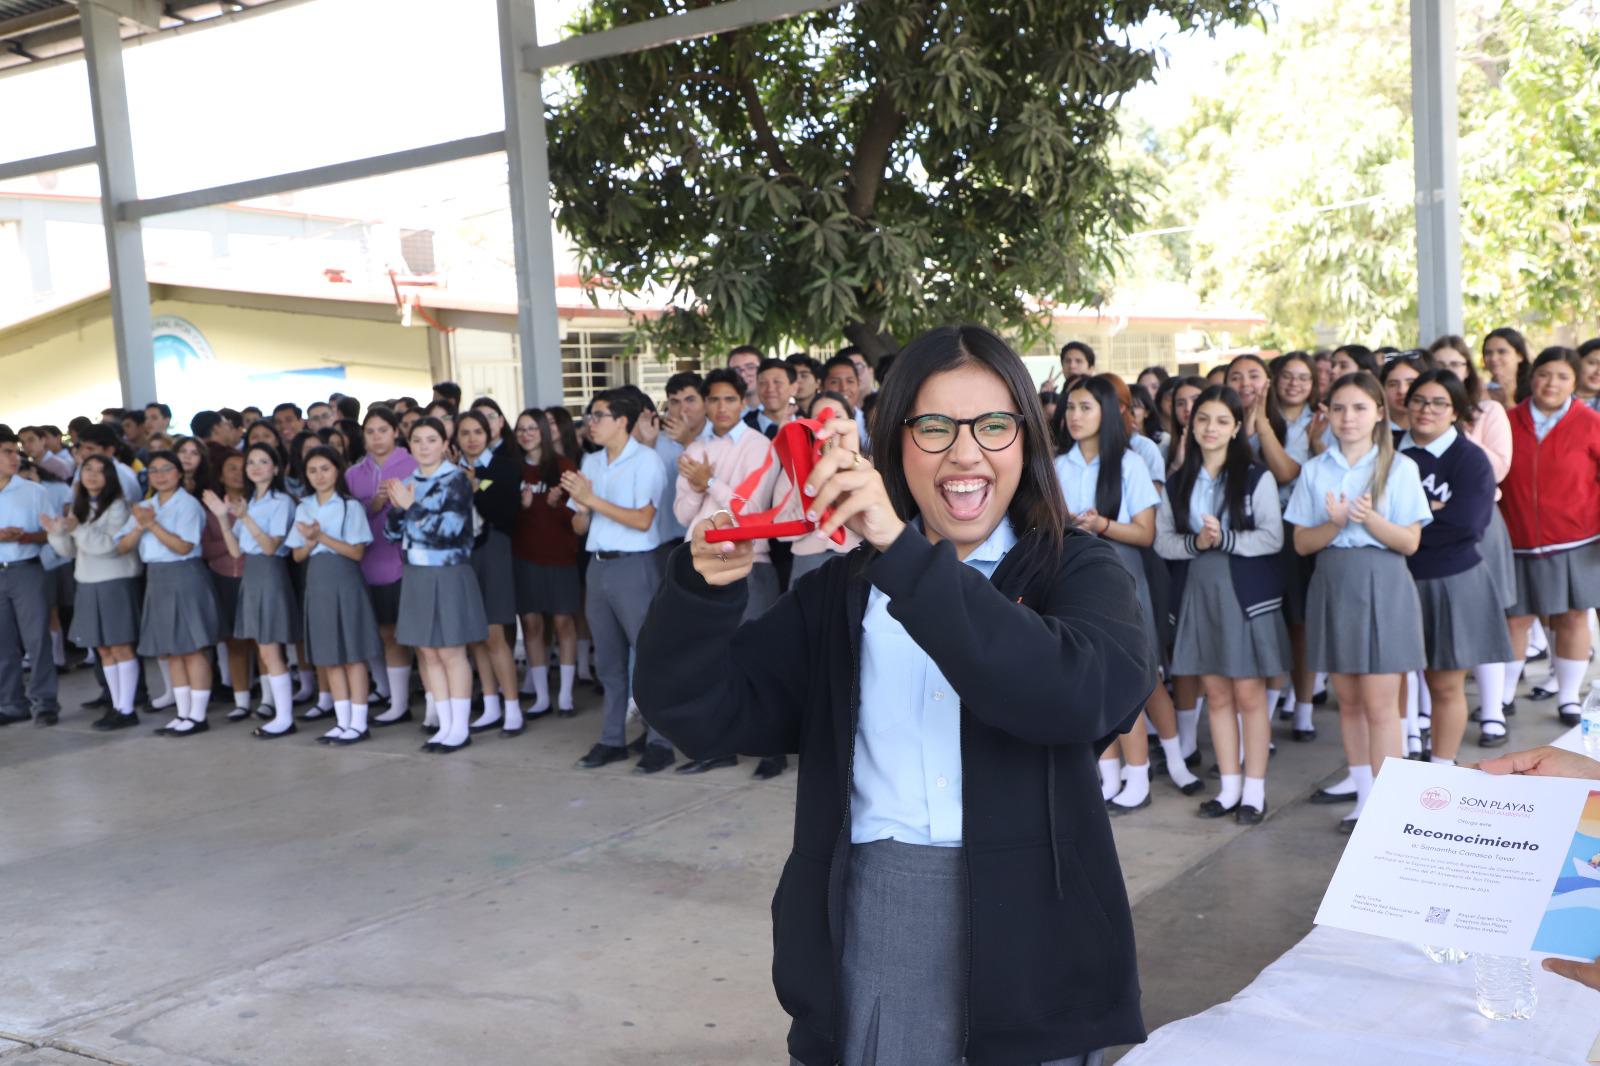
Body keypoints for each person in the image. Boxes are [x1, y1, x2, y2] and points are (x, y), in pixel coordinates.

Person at [636, 324, 1152, 1066]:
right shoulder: (844, 593)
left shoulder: (1076, 568)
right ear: (895, 440)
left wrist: (906, 560)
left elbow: (1082, 696)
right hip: (882, 906)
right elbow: (703, 711)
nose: (966, 453)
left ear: (1026, 441)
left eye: (995, 426)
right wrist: (699, 593)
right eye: (935, 427)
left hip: (1037, 919)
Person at [1286, 371, 1432, 833]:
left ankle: (1392, 808)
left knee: (1380, 703)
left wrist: (1367, 519)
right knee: (1347, 700)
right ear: (1326, 413)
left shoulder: (1400, 467)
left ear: (1379, 414)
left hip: (1383, 582)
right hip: (1332, 582)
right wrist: (1335, 524)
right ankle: (1365, 800)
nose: (1348, 418)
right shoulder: (1315, 469)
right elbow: (1303, 544)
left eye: (1360, 408)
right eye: (1339, 408)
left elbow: (1409, 542)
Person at [1056, 376, 1190, 812]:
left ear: (1108, 414)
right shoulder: (1059, 465)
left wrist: (1101, 526)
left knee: (1137, 677)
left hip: (1121, 573)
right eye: (1070, 407)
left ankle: (1160, 766)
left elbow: (1146, 533)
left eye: (1085, 408)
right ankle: (1111, 775)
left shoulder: (1129, 464)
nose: (1074, 416)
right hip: (1073, 574)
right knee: (1094, 676)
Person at [1156, 385, 1290, 822]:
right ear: (1190, 426)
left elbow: (1273, 536)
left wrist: (1226, 538)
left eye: (1220, 421)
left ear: (1236, 428)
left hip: (1243, 594)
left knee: (1248, 694)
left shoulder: (1255, 476)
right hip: (1199, 589)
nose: (1209, 428)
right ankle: (1228, 788)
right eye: (1201, 420)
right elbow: (1163, 542)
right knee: (1215, 694)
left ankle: (1254, 791)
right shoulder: (1177, 481)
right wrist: (1197, 542)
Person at [1399, 369, 1514, 765]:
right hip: (1397, 580)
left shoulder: (1469, 458)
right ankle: (1393, 765)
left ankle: (1440, 770)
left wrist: (1406, 524)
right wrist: (1429, 512)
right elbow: (1370, 516)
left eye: (1438, 403)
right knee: (1392, 683)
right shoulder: (1390, 453)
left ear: (1456, 412)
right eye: (1418, 400)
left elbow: (1467, 524)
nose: (1426, 410)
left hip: (1453, 579)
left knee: (1445, 684)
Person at [562, 390, 671, 773]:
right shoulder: (591, 462)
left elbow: (643, 520)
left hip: (635, 565)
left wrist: (591, 500)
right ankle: (612, 739)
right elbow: (578, 524)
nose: (591, 423)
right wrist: (581, 507)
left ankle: (660, 740)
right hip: (598, 565)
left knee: (648, 656)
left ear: (622, 421)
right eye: (590, 416)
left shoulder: (646, 461)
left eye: (599, 415)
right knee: (607, 660)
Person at [1500, 346, 1600, 728]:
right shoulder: (1506, 420)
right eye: (1544, 374)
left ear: (1574, 382)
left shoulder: (1590, 422)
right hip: (1517, 538)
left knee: (1573, 618)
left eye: (1562, 376)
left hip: (1577, 540)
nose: (1551, 383)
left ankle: (1569, 697)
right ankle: (1503, 696)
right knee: (1515, 620)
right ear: (1532, 376)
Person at [1426, 335, 1517, 744]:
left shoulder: (1489, 411)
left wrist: (1459, 430)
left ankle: (1493, 709)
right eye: (1440, 363)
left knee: (1484, 614)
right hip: (1429, 545)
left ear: (1468, 369)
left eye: (1457, 364)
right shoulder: (1415, 427)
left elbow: (1496, 467)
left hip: (1481, 522)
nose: (1450, 371)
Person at [385, 417, 486, 753]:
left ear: (445, 444)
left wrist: (410, 507)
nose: (424, 446)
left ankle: (460, 727)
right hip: (416, 572)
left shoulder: (455, 480)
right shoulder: (406, 481)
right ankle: (444, 725)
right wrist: (398, 510)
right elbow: (390, 534)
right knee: (428, 651)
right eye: (417, 440)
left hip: (448, 571)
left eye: (432, 439)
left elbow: (449, 531)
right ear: (409, 445)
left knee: (451, 651)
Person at [116, 449, 220, 736]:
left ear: (179, 473)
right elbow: (122, 546)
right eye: (154, 470)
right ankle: (183, 713)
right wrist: (140, 526)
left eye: (166, 469)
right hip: (157, 578)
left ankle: (198, 715)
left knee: (192, 648)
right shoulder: (145, 505)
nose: (160, 475)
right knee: (171, 649)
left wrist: (151, 525)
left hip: (184, 575)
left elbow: (184, 546)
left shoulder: (188, 505)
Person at [286, 447, 384, 745]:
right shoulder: (302, 507)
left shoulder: (349, 506)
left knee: (352, 655)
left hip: (345, 581)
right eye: (313, 470)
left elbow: (356, 552)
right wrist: (311, 542)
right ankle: (342, 722)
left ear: (337, 471)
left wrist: (321, 538)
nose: (319, 475)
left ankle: (359, 721)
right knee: (330, 656)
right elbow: (298, 555)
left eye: (325, 468)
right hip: (317, 582)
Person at [203, 443, 301, 738]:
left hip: (270, 574)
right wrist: (223, 516)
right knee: (264, 648)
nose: (256, 467)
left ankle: (284, 716)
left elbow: (271, 547)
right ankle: (281, 714)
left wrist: (244, 517)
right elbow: (234, 551)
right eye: (252, 462)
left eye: (263, 461)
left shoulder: (281, 501)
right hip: (251, 575)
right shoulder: (251, 502)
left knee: (271, 650)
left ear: (276, 467)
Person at [44, 453, 141, 729]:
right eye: (87, 469)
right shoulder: (80, 506)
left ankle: (126, 708)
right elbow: (69, 551)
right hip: (86, 581)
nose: (93, 475)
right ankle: (116, 704)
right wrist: (58, 533)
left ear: (110, 477)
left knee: (120, 646)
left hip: (114, 581)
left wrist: (77, 529)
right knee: (103, 648)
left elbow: (108, 547)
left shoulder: (120, 507)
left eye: (100, 470)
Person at [345, 407, 417, 724]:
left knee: (417, 637)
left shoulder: (414, 462)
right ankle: (396, 700)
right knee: (385, 633)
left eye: (383, 430)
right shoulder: (353, 474)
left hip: (407, 561)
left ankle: (434, 703)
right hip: (369, 562)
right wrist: (372, 505)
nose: (377, 437)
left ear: (396, 432)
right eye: (371, 431)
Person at [454, 409, 524, 735]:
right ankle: (490, 704)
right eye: (464, 433)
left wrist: (477, 485)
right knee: (476, 635)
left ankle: (512, 707)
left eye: (477, 432)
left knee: (495, 633)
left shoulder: (503, 466)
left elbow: (504, 510)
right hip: (463, 553)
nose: (471, 439)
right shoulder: (449, 471)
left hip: (494, 549)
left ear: (489, 434)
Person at [512, 407, 580, 717]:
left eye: (532, 428)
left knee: (564, 622)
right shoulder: (512, 468)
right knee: (532, 624)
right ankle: (541, 696)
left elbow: (580, 518)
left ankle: (565, 694)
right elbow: (501, 519)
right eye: (521, 429)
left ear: (544, 431)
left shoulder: (564, 467)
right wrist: (521, 507)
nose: (526, 434)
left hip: (561, 557)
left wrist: (557, 506)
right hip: (525, 558)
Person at [0, 427, 59, 726]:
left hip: (27, 570)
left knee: (36, 640)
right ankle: (11, 703)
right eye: (7, 452)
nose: (15, 457)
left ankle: (45, 701)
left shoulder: (33, 491)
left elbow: (52, 533)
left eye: (16, 450)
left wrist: (24, 538)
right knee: (3, 643)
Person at [200, 450, 253, 720]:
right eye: (231, 468)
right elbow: (205, 548)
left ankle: (267, 699)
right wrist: (234, 542)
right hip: (223, 579)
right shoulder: (211, 509)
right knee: (234, 642)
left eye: (243, 467)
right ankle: (241, 700)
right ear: (221, 474)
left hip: (253, 578)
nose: (238, 473)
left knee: (262, 641)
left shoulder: (257, 502)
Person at [822, 354, 872, 454]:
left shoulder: (871, 422)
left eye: (850, 381)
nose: (843, 388)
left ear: (858, 384)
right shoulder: (817, 426)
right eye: (834, 382)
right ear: (821, 386)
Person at [747, 358, 797, 437]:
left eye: (777, 382)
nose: (770, 389)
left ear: (794, 388)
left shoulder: (808, 429)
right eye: (763, 383)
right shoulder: (743, 431)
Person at [1482, 327, 1531, 407]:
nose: (1493, 358)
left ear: (1519, 356)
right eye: (1488, 353)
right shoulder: (1477, 392)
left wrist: (1508, 401)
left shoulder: (1534, 390)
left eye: (1502, 352)